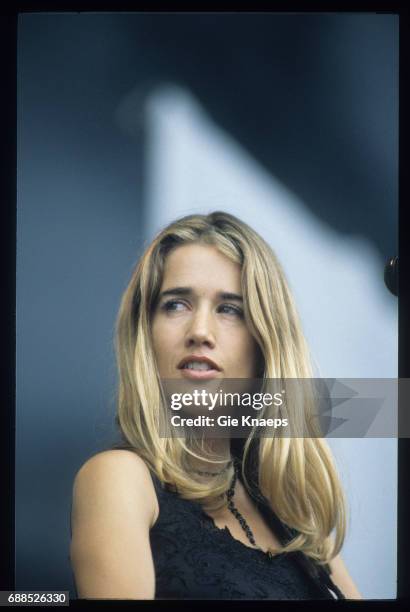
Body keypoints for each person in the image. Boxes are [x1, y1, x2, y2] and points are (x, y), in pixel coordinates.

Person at [69, 211, 362, 600]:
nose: (200, 332)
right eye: (176, 305)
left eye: (230, 309)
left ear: (265, 343)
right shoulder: (120, 479)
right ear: (145, 335)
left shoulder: (296, 518)